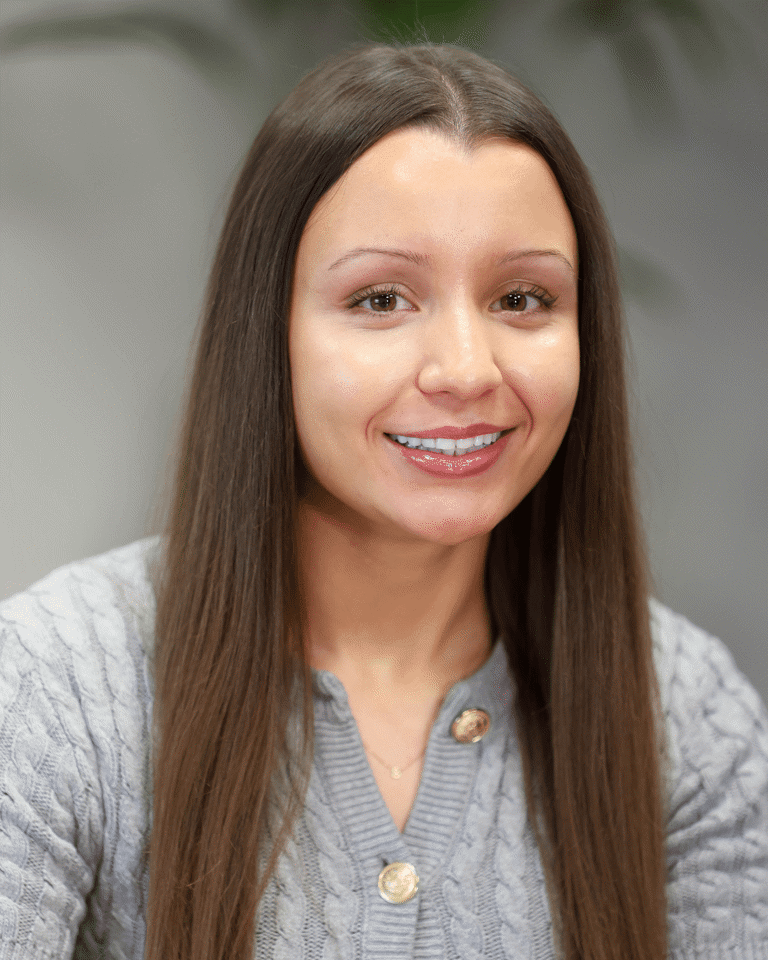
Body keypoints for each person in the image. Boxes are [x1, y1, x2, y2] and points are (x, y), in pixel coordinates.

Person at [0, 41, 766, 960]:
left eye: (522, 298)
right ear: (268, 333)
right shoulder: (57, 689)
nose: (466, 371)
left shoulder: (686, 718)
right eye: (380, 299)